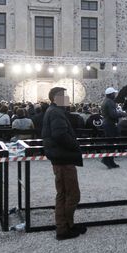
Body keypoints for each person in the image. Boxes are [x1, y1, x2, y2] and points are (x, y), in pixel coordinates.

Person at [42, 87, 86, 240]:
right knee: (72, 194)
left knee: (63, 194)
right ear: (55, 98)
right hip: (64, 158)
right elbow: (60, 134)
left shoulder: (53, 111)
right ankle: (64, 228)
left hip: (59, 157)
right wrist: (75, 146)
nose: (66, 98)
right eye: (63, 96)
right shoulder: (56, 113)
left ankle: (67, 225)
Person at [101, 87, 124, 169]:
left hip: (107, 123)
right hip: (110, 124)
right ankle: (108, 160)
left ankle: (110, 160)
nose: (115, 95)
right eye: (114, 93)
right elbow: (113, 114)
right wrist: (122, 113)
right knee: (112, 143)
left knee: (110, 143)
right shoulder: (110, 102)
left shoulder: (105, 101)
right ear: (111, 94)